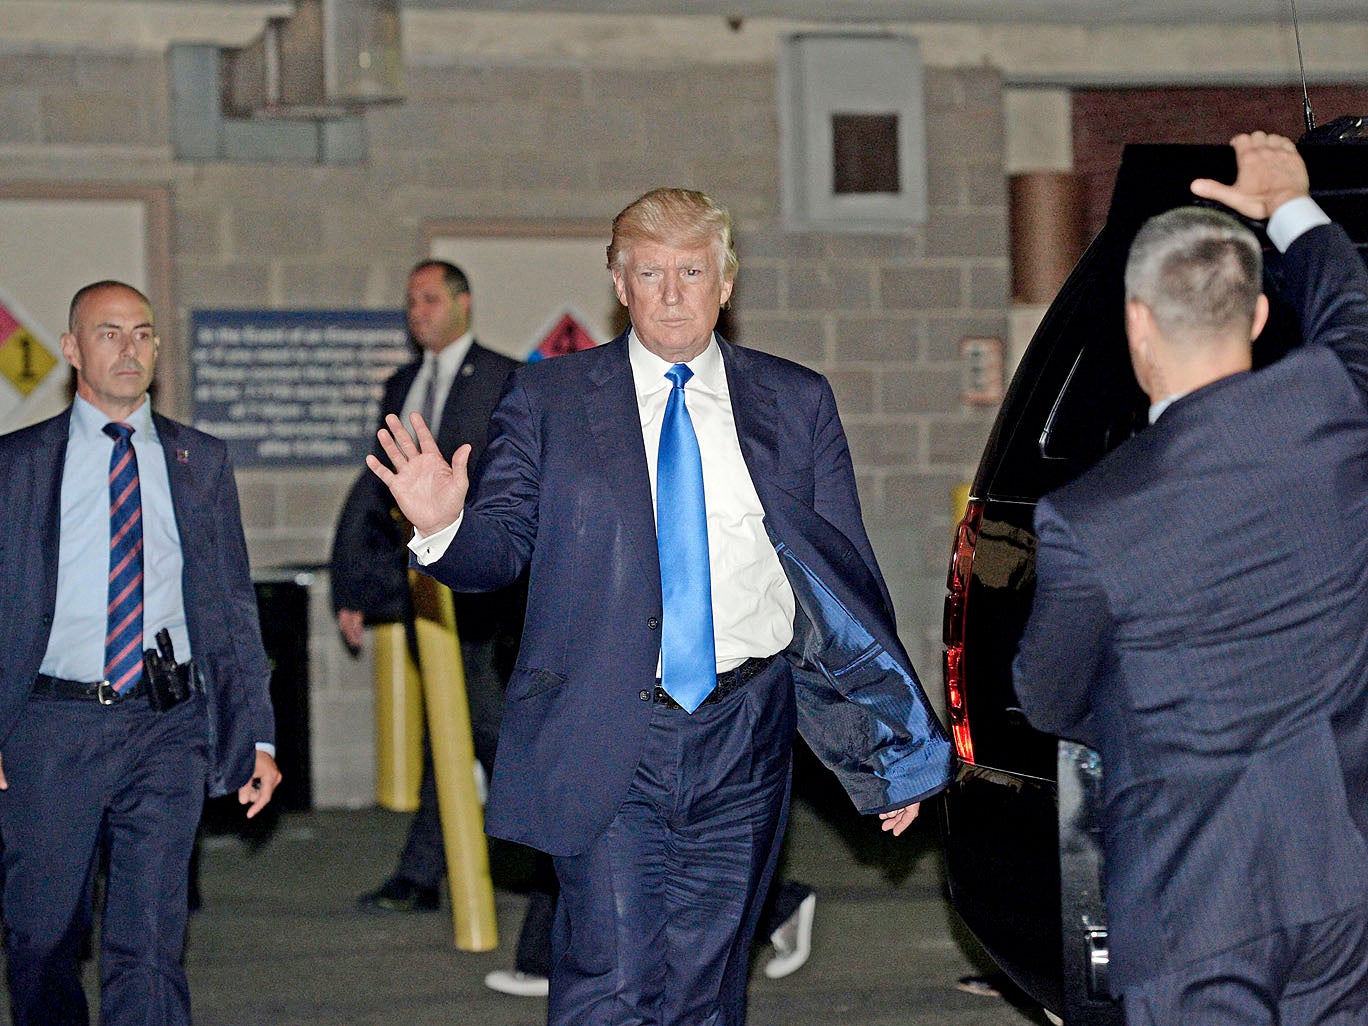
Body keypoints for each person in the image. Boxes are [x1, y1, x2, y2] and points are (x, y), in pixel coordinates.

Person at [366, 187, 952, 1025]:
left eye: (691, 270)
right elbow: (496, 553)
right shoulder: (551, 400)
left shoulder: (795, 401)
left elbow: (843, 584)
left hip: (745, 731)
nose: (672, 293)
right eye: (650, 272)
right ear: (618, 282)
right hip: (609, 727)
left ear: (725, 283)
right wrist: (443, 527)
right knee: (612, 977)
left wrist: (888, 744)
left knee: (706, 991)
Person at [1013, 132, 1368, 1026]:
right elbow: (1353, 311)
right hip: (1340, 873)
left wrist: (1154, 706)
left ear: (1137, 323)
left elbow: (1047, 695)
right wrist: (1290, 200)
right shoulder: (1333, 411)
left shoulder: (1089, 515)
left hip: (1192, 896)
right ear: (1254, 317)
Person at [0, 280, 282, 1026]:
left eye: (144, 333)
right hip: (48, 725)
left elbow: (230, 607)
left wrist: (255, 732)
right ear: (71, 349)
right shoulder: (17, 465)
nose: (131, 348)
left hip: (168, 722)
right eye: (109, 333)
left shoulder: (201, 461)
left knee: (152, 942)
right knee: (40, 936)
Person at [332, 259, 522, 912]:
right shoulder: (401, 383)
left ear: (464, 304)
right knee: (451, 726)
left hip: (484, 589)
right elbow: (374, 487)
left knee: (486, 724)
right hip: (419, 584)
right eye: (411, 300)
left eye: (431, 299)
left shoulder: (505, 376)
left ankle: (566, 832)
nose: (418, 311)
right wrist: (350, 584)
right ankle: (421, 874)